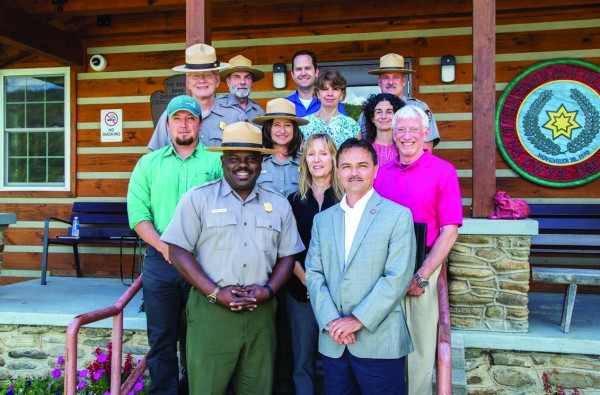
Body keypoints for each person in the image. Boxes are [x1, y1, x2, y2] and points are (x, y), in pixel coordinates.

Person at [160, 121, 305, 395]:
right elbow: (177, 251)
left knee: (257, 389)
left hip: (260, 314)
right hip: (210, 312)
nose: (243, 165)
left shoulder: (279, 205)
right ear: (222, 160)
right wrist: (215, 292)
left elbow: (288, 254)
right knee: (207, 389)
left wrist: (269, 290)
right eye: (235, 159)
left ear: (261, 163)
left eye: (251, 159)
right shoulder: (198, 199)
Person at [127, 95, 223, 395]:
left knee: (202, 339)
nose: (184, 124)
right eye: (177, 118)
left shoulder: (217, 162)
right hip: (160, 261)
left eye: (190, 118)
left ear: (199, 123)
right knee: (162, 338)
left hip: (204, 262)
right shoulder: (148, 164)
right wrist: (166, 248)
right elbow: (138, 214)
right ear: (167, 124)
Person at [305, 138, 416, 395]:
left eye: (362, 165)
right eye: (346, 166)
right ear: (337, 170)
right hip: (334, 341)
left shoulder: (398, 216)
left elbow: (396, 277)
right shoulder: (322, 221)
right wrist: (333, 321)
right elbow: (314, 273)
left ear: (376, 170)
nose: (354, 173)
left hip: (379, 341)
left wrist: (357, 320)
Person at [374, 105, 462, 395]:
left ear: (426, 134)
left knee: (420, 352)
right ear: (393, 134)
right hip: (384, 270)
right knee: (382, 347)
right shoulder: (380, 174)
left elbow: (450, 230)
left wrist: (423, 275)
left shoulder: (443, 171)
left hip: (422, 269)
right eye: (401, 130)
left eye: (414, 130)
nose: (407, 136)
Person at [286, 133, 343, 395]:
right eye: (311, 154)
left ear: (333, 158)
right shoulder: (293, 201)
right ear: (304, 161)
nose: (317, 159)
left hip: (339, 293)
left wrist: (326, 286)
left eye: (323, 153)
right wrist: (308, 280)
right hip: (301, 290)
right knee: (302, 360)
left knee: (338, 360)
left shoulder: (346, 200)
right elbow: (287, 248)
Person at [148, 44, 245, 150]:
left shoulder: (235, 117)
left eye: (208, 74)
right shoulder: (170, 115)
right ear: (188, 82)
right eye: (195, 76)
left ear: (217, 80)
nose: (202, 80)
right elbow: (156, 157)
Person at [359, 53, 440, 150]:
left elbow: (426, 149)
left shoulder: (419, 109)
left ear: (404, 81)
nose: (390, 82)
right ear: (379, 82)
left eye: (396, 77)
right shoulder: (368, 113)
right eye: (385, 78)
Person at [254, 98, 307, 197]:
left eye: (287, 125)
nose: (282, 131)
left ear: (294, 129)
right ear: (268, 129)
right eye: (276, 125)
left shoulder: (305, 162)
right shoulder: (257, 161)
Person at [300, 70, 359, 147]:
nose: (330, 94)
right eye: (325, 89)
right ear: (318, 93)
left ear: (342, 94)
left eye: (335, 89)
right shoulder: (304, 124)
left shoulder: (352, 126)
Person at [286, 49, 346, 118]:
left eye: (307, 68)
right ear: (292, 74)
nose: (303, 73)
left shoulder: (332, 104)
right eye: (298, 69)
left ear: (316, 72)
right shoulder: (285, 105)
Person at [217, 54, 265, 123]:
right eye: (237, 77)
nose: (242, 82)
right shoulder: (217, 106)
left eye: (247, 77)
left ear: (252, 82)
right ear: (228, 82)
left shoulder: (258, 111)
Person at [361, 93, 405, 165]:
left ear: (397, 116)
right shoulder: (364, 149)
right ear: (372, 118)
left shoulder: (405, 147)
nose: (383, 116)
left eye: (389, 112)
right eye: (379, 112)